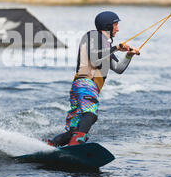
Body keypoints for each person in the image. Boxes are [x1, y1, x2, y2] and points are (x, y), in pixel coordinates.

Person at [47, 11, 140, 147]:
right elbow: (95, 59)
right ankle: (76, 145)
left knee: (74, 130)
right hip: (86, 83)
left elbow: (118, 69)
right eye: (116, 25)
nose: (118, 29)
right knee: (90, 115)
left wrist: (128, 56)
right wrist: (117, 47)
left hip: (82, 87)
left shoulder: (107, 47)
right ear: (108, 25)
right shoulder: (93, 36)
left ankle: (50, 146)